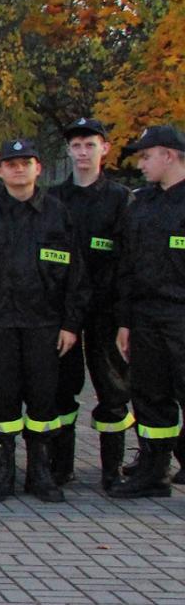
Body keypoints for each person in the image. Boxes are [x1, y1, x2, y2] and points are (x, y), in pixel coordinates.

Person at [0, 139, 87, 503]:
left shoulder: (57, 214)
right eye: (12, 164)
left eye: (25, 163)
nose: (18, 170)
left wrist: (71, 325)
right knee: (1, 402)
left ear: (38, 169)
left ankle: (40, 471)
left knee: (43, 403)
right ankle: (1, 472)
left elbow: (75, 274)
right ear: (0, 170)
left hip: (45, 326)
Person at [49, 117, 134, 490]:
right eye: (77, 146)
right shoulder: (54, 198)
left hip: (105, 311)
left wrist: (124, 315)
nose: (83, 152)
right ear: (68, 151)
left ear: (105, 149)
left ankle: (111, 470)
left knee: (113, 389)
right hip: (64, 311)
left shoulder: (120, 199)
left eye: (90, 145)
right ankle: (60, 466)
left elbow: (129, 259)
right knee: (61, 387)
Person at [110, 124, 185, 498]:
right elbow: (126, 265)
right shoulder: (142, 204)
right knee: (150, 396)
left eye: (146, 156)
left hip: (180, 314)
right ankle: (153, 472)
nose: (141, 164)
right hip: (144, 316)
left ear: (168, 155)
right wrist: (124, 321)